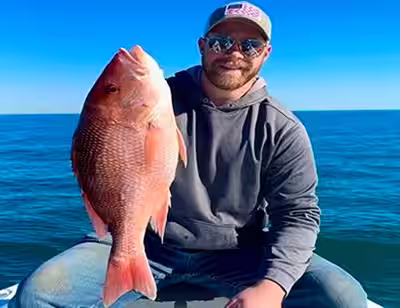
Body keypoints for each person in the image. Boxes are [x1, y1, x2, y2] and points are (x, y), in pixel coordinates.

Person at [9, 1, 368, 308]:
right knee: (38, 294)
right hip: (146, 243)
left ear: (266, 53)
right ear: (202, 45)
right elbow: (103, 139)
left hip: (239, 253)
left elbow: (298, 214)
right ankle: (127, 269)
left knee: (342, 297)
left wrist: (272, 286)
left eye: (250, 45)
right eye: (222, 41)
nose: (234, 53)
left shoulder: (282, 128)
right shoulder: (160, 98)